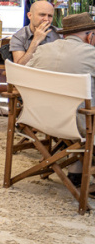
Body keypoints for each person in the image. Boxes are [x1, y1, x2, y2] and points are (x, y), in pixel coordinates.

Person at [27, 12, 95, 188]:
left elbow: (26, 77)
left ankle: (75, 172)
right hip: (79, 125)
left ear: (65, 34)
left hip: (41, 119)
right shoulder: (91, 54)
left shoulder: (43, 50)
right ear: (90, 36)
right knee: (85, 111)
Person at [9, 0, 60, 65]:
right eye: (42, 15)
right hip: (29, 71)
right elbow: (19, 66)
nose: (46, 19)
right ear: (29, 15)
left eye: (50, 16)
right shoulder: (18, 37)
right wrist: (35, 41)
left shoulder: (59, 34)